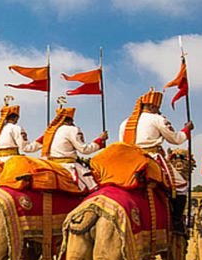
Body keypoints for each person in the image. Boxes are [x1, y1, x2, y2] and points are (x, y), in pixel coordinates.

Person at [119, 88, 193, 233]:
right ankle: (176, 222)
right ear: (152, 107)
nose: (158, 111)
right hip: (150, 158)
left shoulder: (125, 122)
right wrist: (186, 130)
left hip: (128, 161)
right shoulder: (157, 119)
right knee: (181, 185)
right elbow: (176, 139)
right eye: (157, 108)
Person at [42, 105, 106, 191]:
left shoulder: (51, 132)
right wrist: (100, 140)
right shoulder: (72, 129)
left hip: (51, 165)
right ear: (70, 120)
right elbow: (84, 150)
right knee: (93, 186)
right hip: (68, 166)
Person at [0, 97, 41, 163]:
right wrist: (41, 141)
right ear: (16, 118)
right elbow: (26, 148)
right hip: (12, 161)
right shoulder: (16, 128)